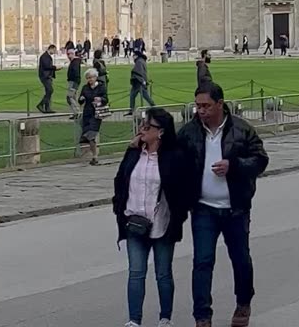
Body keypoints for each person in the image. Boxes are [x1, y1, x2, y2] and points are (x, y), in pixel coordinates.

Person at [179, 83, 270, 327]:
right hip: (203, 208)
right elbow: (173, 160)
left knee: (240, 258)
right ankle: (202, 316)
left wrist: (235, 166)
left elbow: (260, 160)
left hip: (235, 207)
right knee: (202, 261)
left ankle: (243, 302)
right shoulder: (189, 133)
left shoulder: (241, 129)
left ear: (220, 104)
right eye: (198, 106)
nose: (201, 111)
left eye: (206, 106)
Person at [114, 107, 190, 327]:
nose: (142, 129)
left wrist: (179, 215)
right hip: (135, 222)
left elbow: (182, 190)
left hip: (162, 224)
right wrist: (119, 207)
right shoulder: (134, 152)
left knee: (163, 273)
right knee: (136, 273)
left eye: (147, 126)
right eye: (142, 124)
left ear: (161, 132)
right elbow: (121, 180)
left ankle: (165, 318)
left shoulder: (174, 157)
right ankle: (133, 320)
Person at [78, 68, 108, 165]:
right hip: (87, 113)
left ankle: (94, 156)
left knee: (91, 135)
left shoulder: (101, 87)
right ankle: (93, 156)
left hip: (96, 114)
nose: (90, 80)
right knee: (88, 136)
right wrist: (81, 99)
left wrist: (100, 99)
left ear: (95, 77)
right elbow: (81, 99)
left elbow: (105, 99)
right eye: (88, 78)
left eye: (91, 77)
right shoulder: (85, 88)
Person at [36, 45, 58, 114]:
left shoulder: (47, 56)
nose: (54, 52)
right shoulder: (44, 56)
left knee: (48, 91)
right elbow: (46, 66)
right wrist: (55, 68)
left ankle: (47, 108)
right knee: (50, 90)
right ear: (51, 49)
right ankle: (41, 104)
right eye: (54, 50)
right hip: (45, 76)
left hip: (48, 76)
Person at [66, 50, 84, 118]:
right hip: (73, 81)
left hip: (74, 81)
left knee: (69, 97)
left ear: (72, 54)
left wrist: (75, 80)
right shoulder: (74, 62)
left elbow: (76, 72)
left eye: (68, 54)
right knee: (73, 97)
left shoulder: (75, 62)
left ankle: (77, 111)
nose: (67, 56)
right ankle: (75, 112)